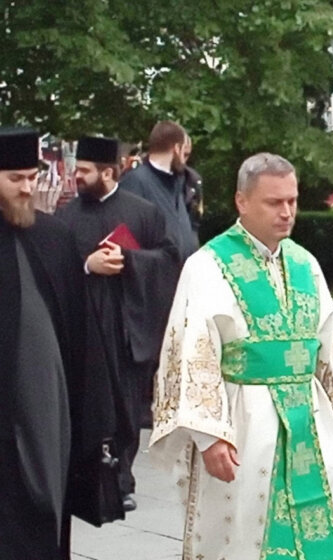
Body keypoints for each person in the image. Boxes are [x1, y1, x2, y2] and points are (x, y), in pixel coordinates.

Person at [149, 152, 333, 559]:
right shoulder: (206, 267)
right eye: (274, 202)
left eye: (292, 201)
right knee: (243, 535)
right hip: (245, 424)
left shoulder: (304, 264)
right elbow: (192, 352)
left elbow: (330, 337)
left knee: (317, 529)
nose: (287, 212)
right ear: (242, 202)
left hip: (307, 424)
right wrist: (209, 436)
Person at [0, 128, 122, 557]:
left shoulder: (54, 239)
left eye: (33, 177)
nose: (28, 188)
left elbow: (82, 335)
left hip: (49, 420)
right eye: (16, 179)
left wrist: (99, 420)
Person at [56, 135, 181, 512]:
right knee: (88, 407)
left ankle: (122, 480)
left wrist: (129, 259)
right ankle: (86, 479)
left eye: (85, 171)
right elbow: (54, 268)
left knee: (126, 409)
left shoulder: (144, 213)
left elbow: (169, 259)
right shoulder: (65, 218)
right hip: (83, 325)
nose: (77, 177)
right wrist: (86, 266)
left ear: (108, 172)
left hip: (128, 324)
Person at [119, 120, 199, 260]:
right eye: (184, 153)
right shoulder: (135, 182)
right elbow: (127, 240)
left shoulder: (179, 181)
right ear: (177, 148)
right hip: (154, 277)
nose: (185, 161)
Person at [180, 133, 204, 236]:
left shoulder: (193, 179)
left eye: (186, 155)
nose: (182, 159)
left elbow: (197, 215)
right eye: (181, 154)